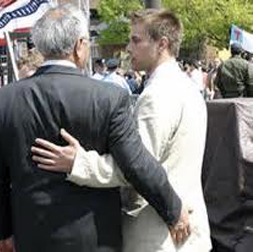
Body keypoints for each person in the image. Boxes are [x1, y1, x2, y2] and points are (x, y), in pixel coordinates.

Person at [0, 5, 189, 252]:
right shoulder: (109, 98)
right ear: (79, 46)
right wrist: (174, 209)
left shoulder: (3, 101)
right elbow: (137, 164)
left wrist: (1, 234)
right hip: (95, 238)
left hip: (32, 236)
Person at [31, 8, 212, 252]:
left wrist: (78, 163)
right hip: (184, 232)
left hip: (159, 236)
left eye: (136, 40)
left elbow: (136, 167)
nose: (128, 48)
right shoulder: (186, 87)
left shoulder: (158, 95)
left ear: (162, 44)